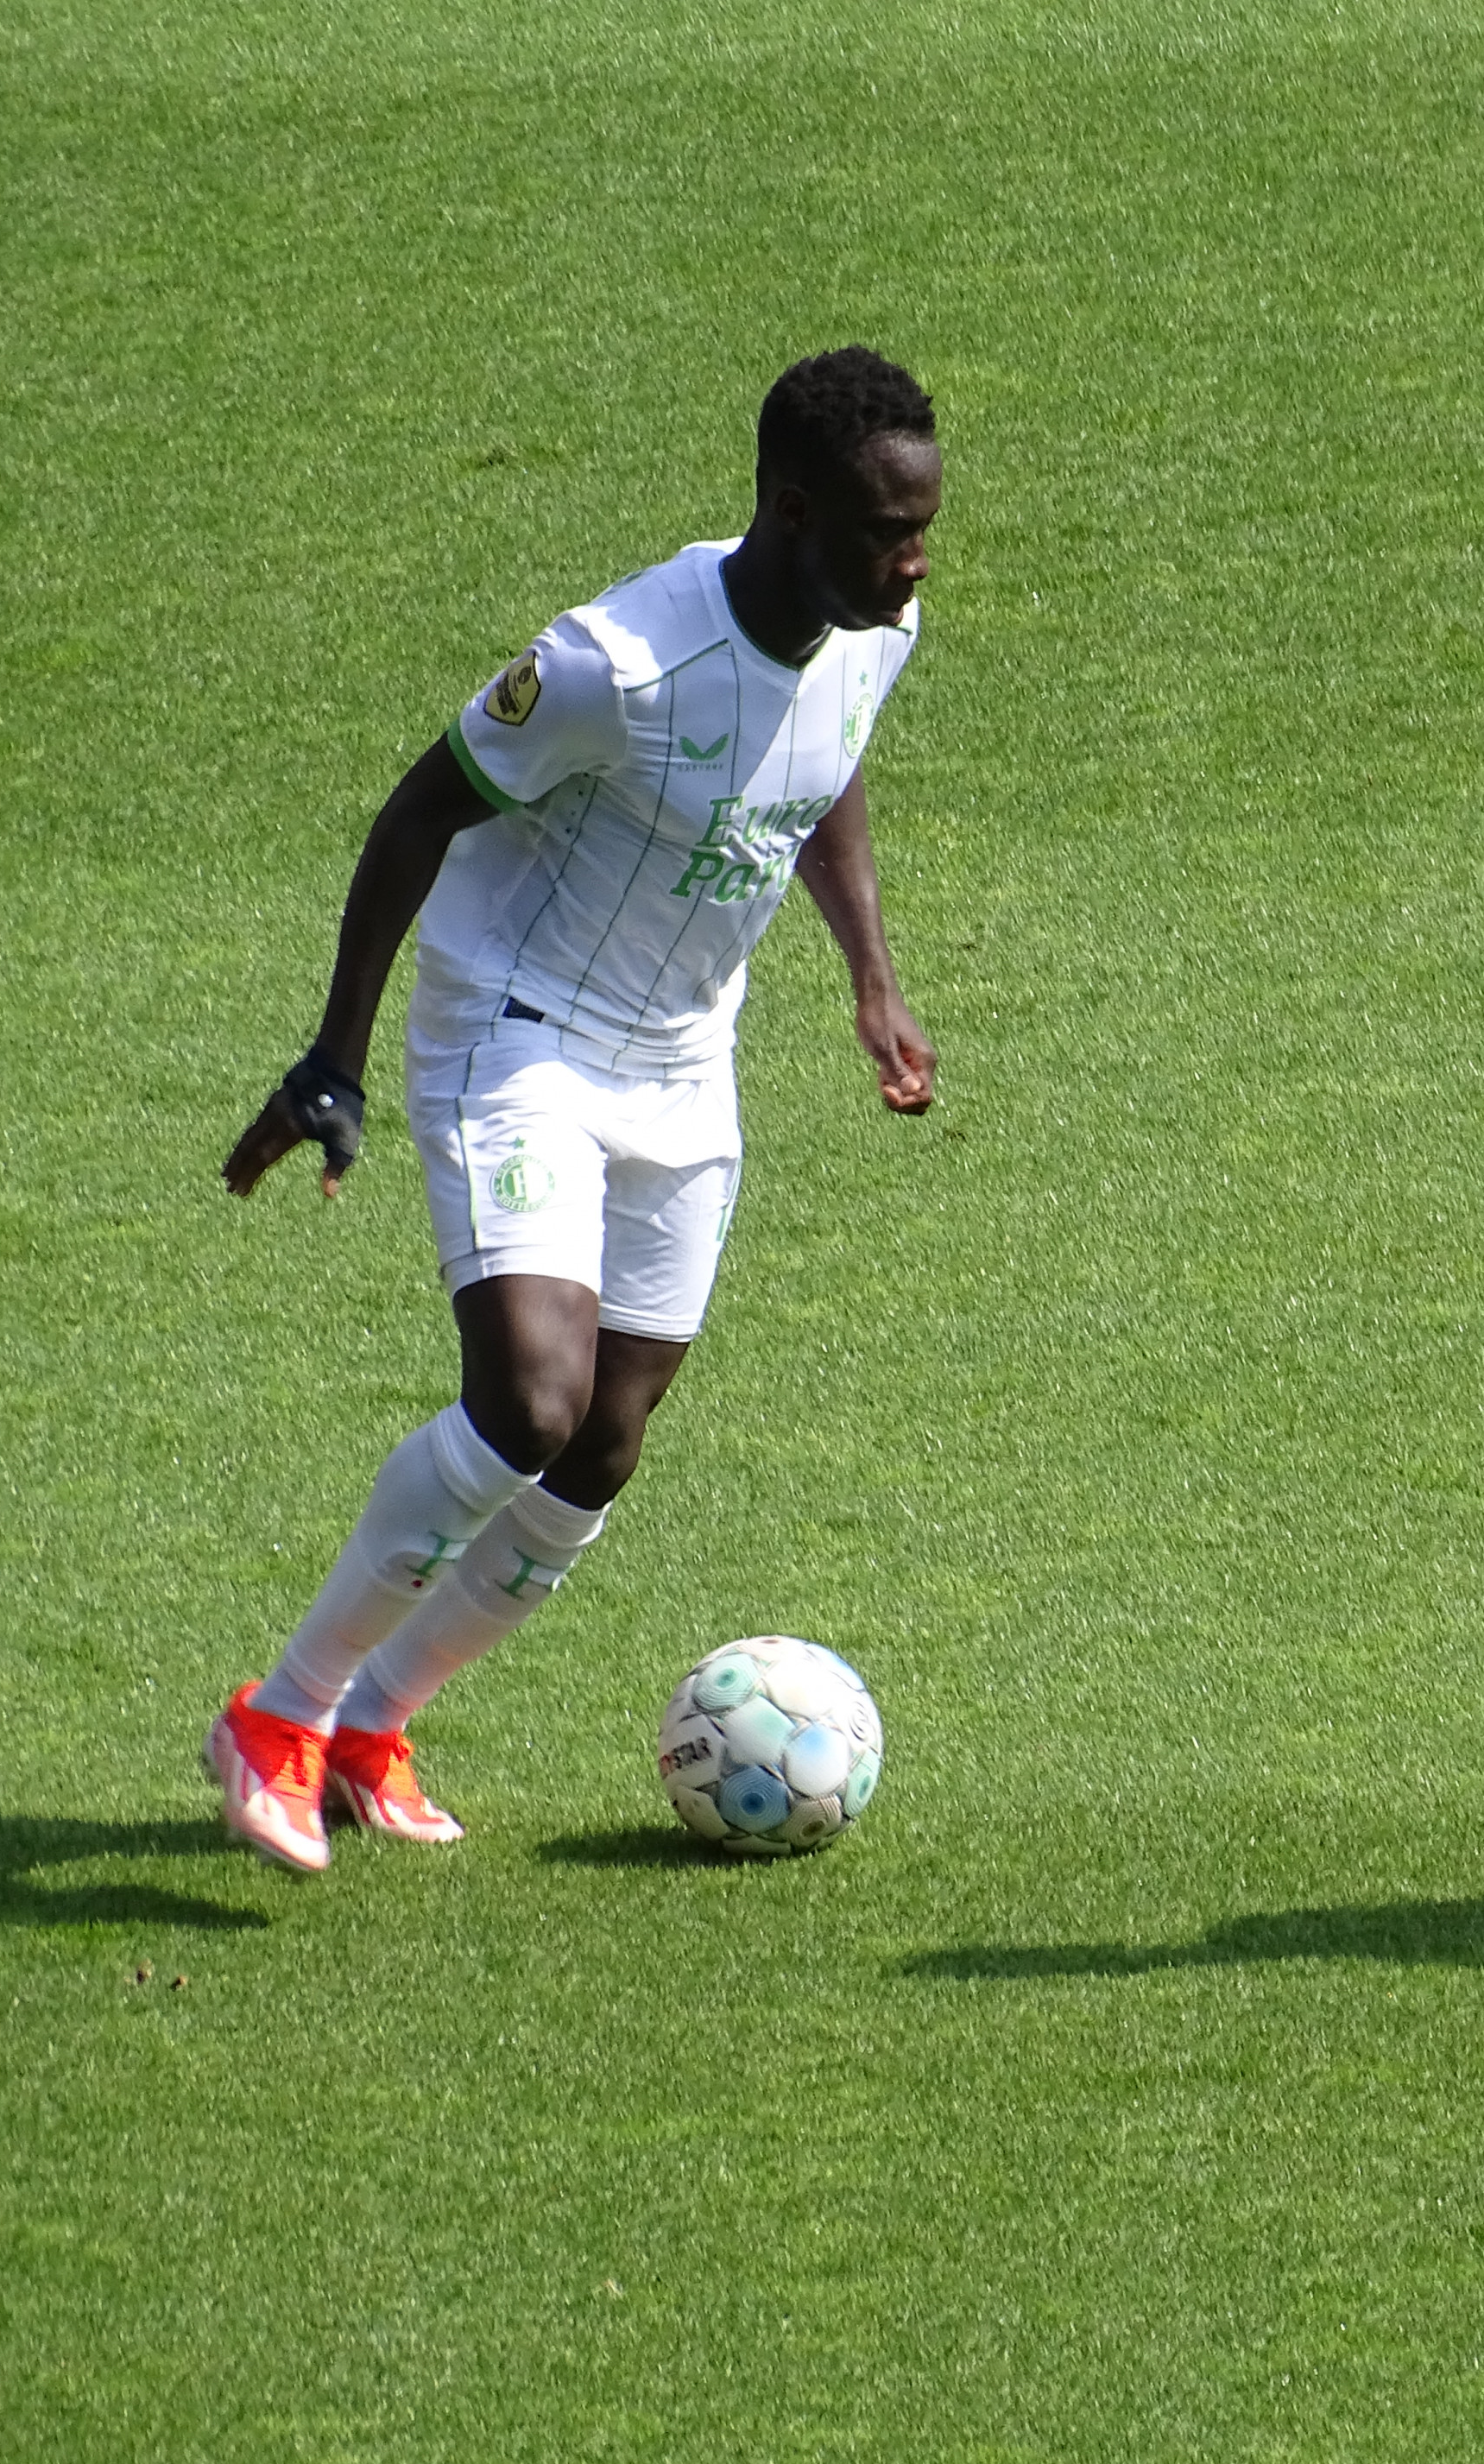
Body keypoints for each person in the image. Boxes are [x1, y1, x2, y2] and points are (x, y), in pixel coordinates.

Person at [211, 346, 944, 1872]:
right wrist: (334, 1055)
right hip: (522, 1031)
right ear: (792, 511)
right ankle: (281, 1713)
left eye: (924, 527)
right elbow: (421, 808)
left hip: (685, 1058)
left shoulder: (875, 624)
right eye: (888, 531)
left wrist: (871, 977)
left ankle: (375, 1725)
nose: (917, 559)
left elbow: (826, 767)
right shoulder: (621, 663)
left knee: (603, 1442)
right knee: (529, 1403)